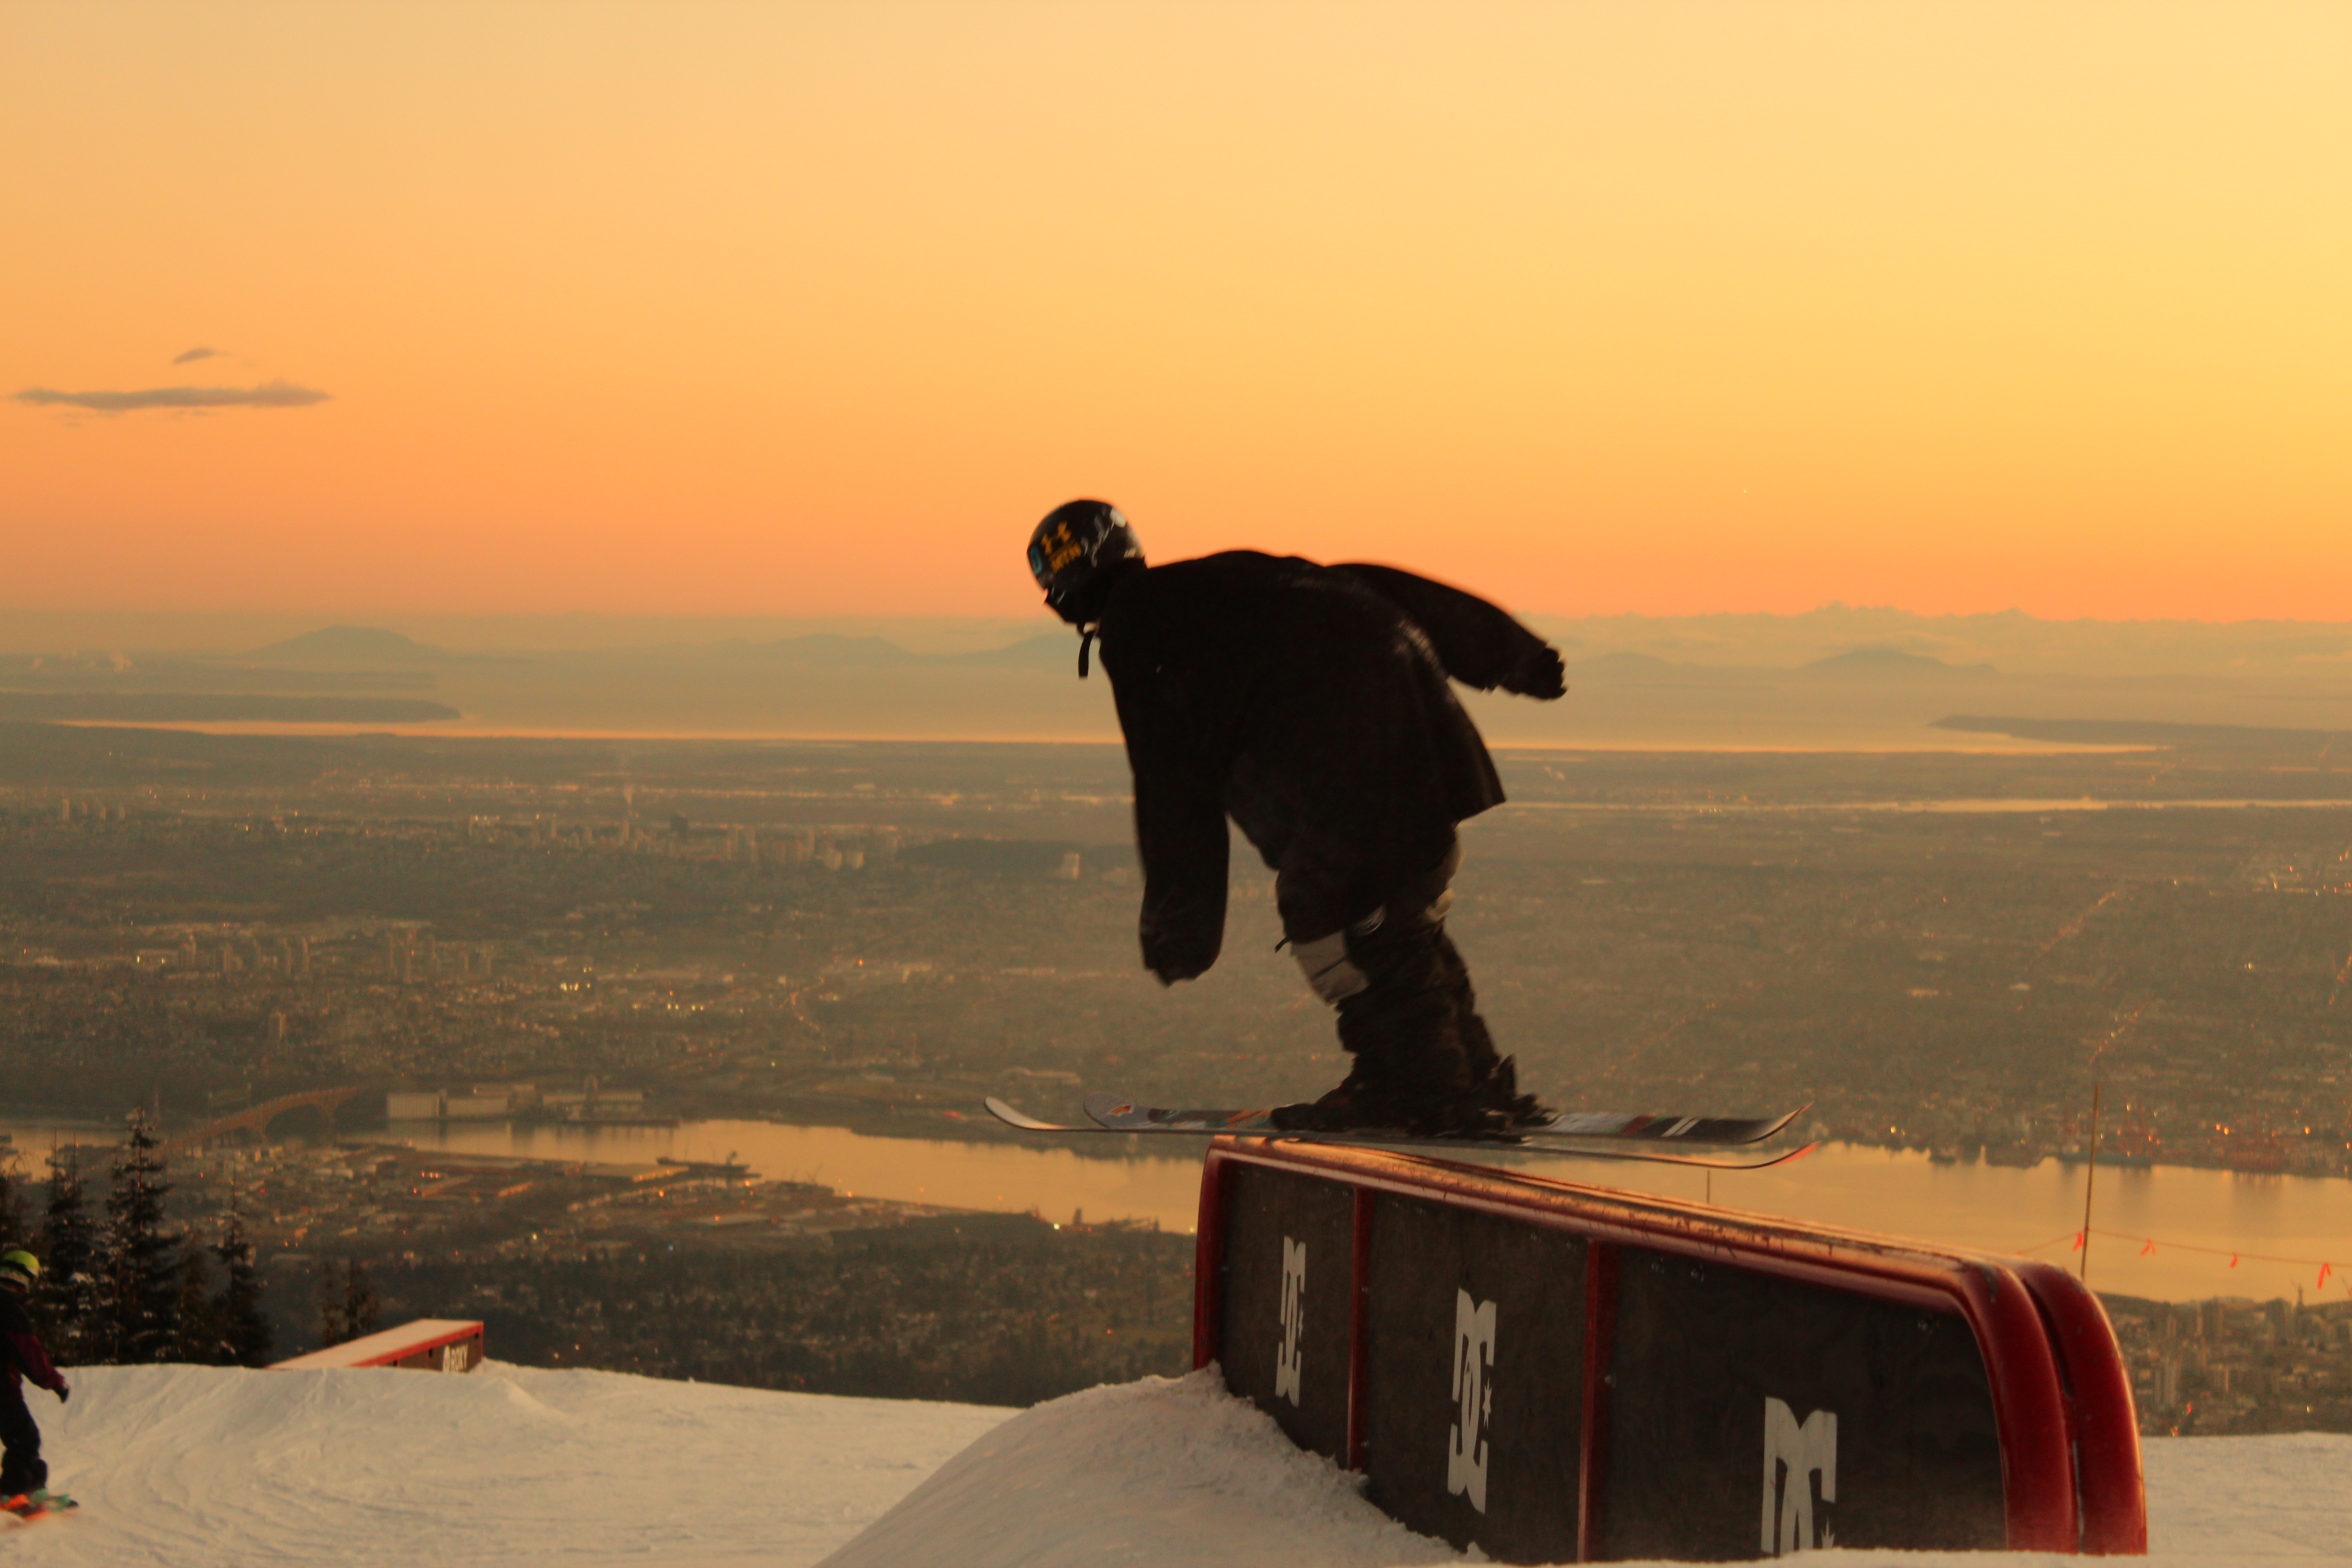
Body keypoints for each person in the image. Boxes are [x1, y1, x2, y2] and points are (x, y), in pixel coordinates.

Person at [1025, 499, 1568, 1134]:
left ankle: (1417, 1090)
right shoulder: (1231, 580)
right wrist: (1510, 654)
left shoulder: (1138, 628)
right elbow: (1370, 585)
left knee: (1334, 924)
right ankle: (1468, 1080)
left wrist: (1180, 928)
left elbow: (1172, 782)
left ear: (1059, 593)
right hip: (1432, 761)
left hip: (1358, 778)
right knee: (1397, 928)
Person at [0, 1248, 68, 1508]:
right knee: (24, 1438)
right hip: (1, 1386)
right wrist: (55, 1382)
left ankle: (32, 1488)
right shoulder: (8, 1308)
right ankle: (14, 1493)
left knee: (21, 1436)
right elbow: (29, 1353)